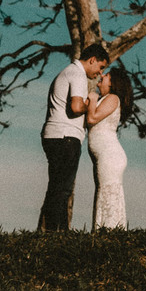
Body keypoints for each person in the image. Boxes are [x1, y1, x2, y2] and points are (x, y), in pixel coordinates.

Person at [37, 43, 109, 231]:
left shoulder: (67, 72)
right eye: (101, 67)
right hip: (65, 136)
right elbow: (76, 107)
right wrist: (91, 102)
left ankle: (57, 232)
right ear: (92, 60)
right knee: (62, 189)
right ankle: (56, 233)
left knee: (57, 187)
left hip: (55, 134)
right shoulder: (77, 74)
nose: (100, 73)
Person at [85, 64, 134, 231]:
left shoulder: (112, 98)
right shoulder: (105, 99)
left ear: (112, 83)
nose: (101, 76)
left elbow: (92, 119)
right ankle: (107, 232)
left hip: (110, 156)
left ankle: (108, 232)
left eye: (106, 76)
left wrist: (92, 99)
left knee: (107, 192)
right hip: (105, 156)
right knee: (105, 192)